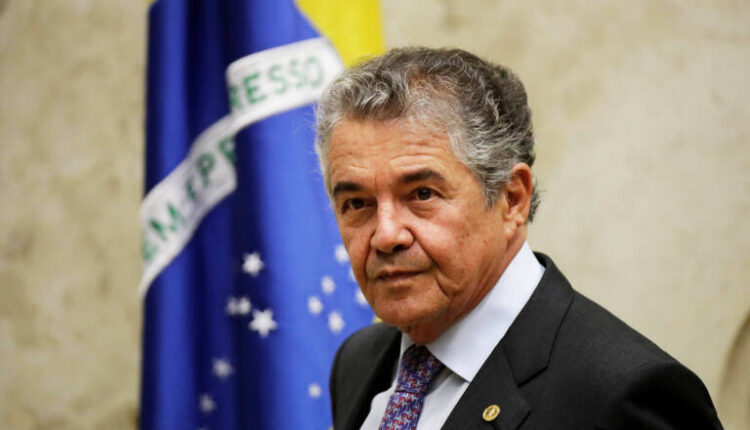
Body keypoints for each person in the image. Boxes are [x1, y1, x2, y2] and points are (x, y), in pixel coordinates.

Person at [314, 47, 723, 430]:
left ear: (512, 199)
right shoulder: (359, 361)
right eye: (356, 203)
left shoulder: (623, 394)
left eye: (422, 194)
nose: (386, 235)